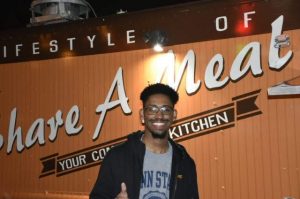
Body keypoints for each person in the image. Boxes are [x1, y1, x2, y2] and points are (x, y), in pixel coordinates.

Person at [90, 83, 199, 199]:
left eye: (166, 109)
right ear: (142, 115)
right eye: (152, 109)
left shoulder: (185, 162)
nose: (159, 115)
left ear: (174, 115)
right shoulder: (116, 157)